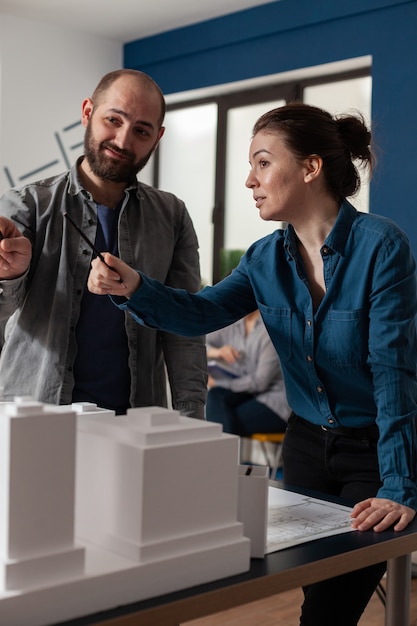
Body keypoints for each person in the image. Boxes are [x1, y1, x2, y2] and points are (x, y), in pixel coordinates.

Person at [87, 101, 417, 625]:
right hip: (306, 443)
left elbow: (393, 371)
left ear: (310, 168)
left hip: (374, 452)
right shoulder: (263, 259)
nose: (249, 180)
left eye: (263, 162)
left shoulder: (382, 247)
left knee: (330, 609)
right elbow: (202, 313)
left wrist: (400, 484)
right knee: (316, 596)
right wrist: (135, 286)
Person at [0, 68, 207, 418]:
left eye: (141, 131)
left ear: (157, 137)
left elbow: (184, 325)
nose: (123, 141)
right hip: (34, 421)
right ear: (87, 113)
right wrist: (11, 277)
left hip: (134, 423)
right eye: (113, 119)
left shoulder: (172, 215)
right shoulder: (26, 205)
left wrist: (191, 419)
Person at [206, 309, 291, 436]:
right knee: (214, 397)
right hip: (246, 392)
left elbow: (260, 382)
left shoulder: (270, 329)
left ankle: (221, 455)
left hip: (273, 401)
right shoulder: (235, 324)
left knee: (221, 419)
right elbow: (197, 342)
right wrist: (217, 352)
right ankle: (224, 455)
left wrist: (217, 383)